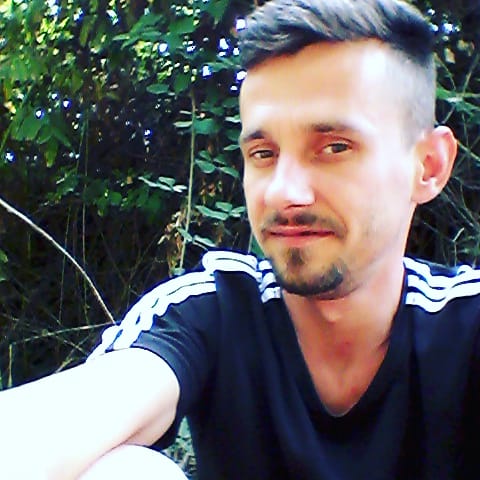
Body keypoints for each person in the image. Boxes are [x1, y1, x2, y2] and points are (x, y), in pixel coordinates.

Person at [1, 0, 477, 478]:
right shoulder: (214, 309)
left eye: (335, 147)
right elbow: (76, 413)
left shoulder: (465, 322)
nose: (284, 192)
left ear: (428, 166)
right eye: (263, 153)